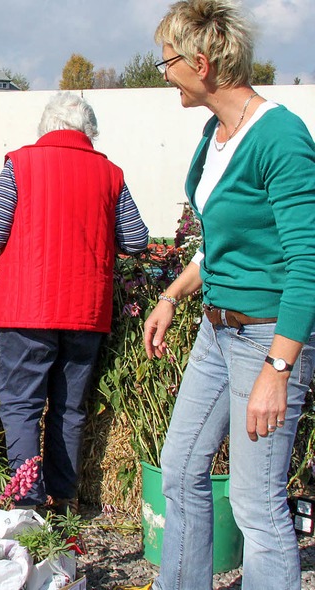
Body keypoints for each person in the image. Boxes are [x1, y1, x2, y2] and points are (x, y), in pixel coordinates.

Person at [117, 2, 315, 589]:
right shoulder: (215, 134)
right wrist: (172, 295)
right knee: (179, 472)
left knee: (257, 506)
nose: (163, 73)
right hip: (215, 330)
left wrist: (278, 368)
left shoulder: (280, 137)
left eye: (167, 62)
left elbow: (307, 261)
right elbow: (223, 245)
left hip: (264, 337)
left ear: (202, 63)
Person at [0, 92, 148, 515]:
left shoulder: (20, 163)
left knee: (20, 404)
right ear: (88, 132)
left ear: (45, 126)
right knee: (70, 406)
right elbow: (137, 239)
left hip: (26, 306)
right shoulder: (110, 173)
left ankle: (26, 500)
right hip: (85, 309)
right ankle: (65, 497)